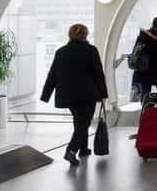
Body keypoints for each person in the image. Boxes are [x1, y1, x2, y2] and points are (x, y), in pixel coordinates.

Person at [41, 24, 108, 166]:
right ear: (85, 34)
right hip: (87, 94)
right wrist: (104, 94)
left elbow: (52, 74)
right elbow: (98, 73)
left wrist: (46, 95)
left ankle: (83, 148)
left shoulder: (61, 52)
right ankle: (71, 151)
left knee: (79, 121)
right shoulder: (90, 50)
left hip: (68, 95)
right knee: (83, 124)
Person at [132, 17, 157, 99]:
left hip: (143, 70)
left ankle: (145, 110)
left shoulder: (142, 37)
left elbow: (136, 52)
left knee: (145, 94)